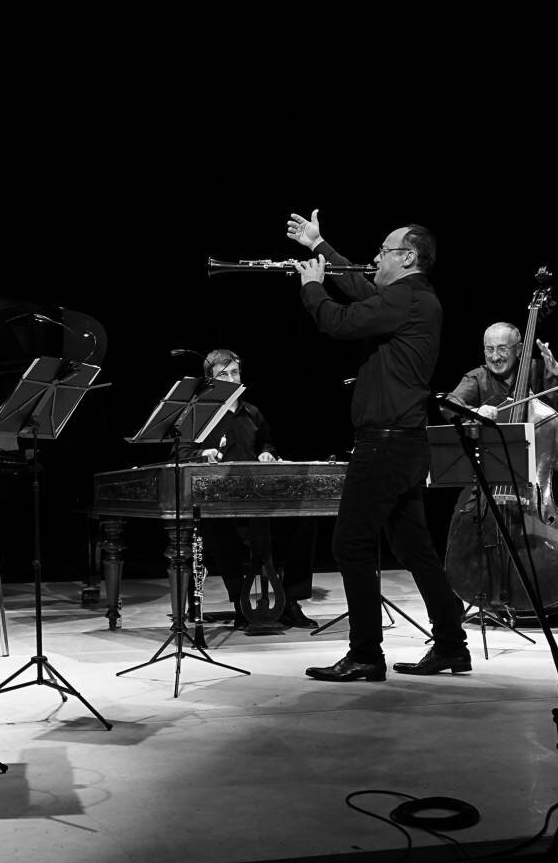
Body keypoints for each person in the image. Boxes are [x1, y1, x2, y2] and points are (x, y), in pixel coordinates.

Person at [285, 209, 466, 681]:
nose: (374, 258)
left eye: (383, 251)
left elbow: (341, 322)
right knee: (414, 547)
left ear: (407, 257)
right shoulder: (411, 298)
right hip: (404, 443)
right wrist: (319, 246)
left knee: (350, 544)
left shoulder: (407, 297)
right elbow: (365, 293)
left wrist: (311, 285)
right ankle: (451, 644)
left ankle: (366, 653)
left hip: (385, 444)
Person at [441, 322, 558, 626]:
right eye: (489, 349)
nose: (495, 356)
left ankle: (547, 592)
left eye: (502, 349)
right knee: (461, 516)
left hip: (536, 487)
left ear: (519, 350)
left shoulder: (542, 371)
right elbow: (451, 404)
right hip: (490, 485)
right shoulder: (478, 377)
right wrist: (475, 413)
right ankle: (470, 595)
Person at [181, 348, 316, 631]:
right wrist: (204, 453)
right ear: (210, 380)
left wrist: (267, 453)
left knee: (304, 521)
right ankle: (240, 603)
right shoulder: (199, 415)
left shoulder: (252, 412)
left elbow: (267, 443)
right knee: (220, 531)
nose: (231, 378)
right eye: (223, 374)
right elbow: (182, 453)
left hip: (258, 496)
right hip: (219, 498)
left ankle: (291, 601)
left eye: (235, 372)